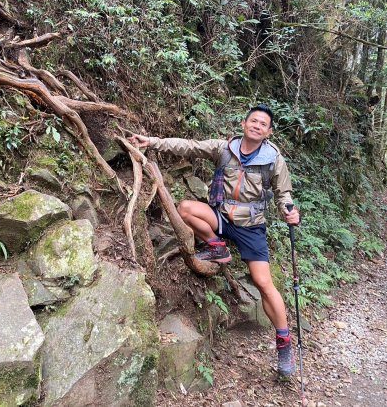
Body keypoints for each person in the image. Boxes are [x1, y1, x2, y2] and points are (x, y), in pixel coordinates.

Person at [128, 104, 300, 376]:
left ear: (268, 132)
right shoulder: (224, 148)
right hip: (221, 217)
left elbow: (283, 193)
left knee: (264, 283)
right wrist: (153, 142)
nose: (256, 125)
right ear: (244, 125)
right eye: (252, 121)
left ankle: (283, 342)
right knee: (185, 208)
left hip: (251, 226)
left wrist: (289, 211)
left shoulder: (273, 159)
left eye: (262, 124)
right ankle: (216, 246)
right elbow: (190, 146)